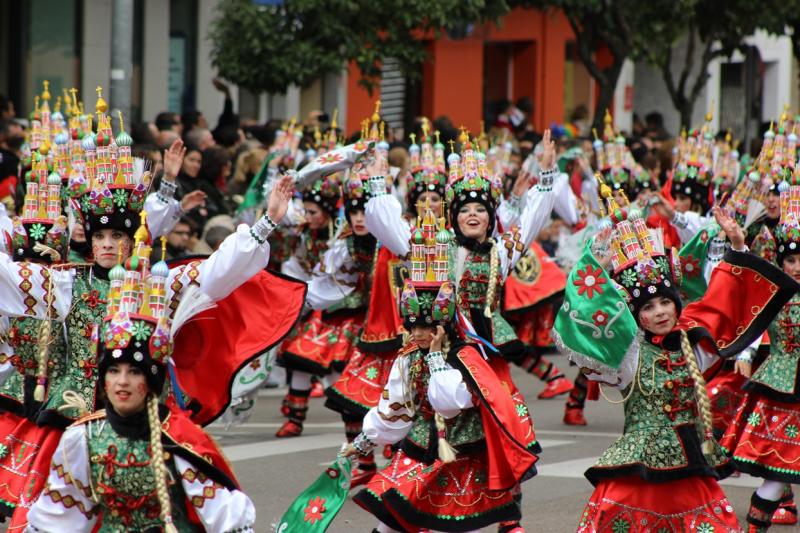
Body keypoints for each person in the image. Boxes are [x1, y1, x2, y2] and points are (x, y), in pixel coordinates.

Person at [553, 181, 797, 532]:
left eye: (666, 301)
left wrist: (739, 246)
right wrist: (597, 261)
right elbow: (588, 313)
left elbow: (722, 299)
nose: (660, 312)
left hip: (690, 465)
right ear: (635, 315)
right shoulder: (629, 355)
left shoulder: (691, 344)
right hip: (636, 468)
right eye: (648, 306)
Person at [27, 240, 256, 532]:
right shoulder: (83, 438)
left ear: (151, 381)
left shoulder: (179, 439)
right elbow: (57, 517)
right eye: (113, 370)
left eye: (134, 371)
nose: (122, 382)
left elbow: (227, 519)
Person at [343, 202, 538, 532]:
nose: (418, 333)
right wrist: (366, 440)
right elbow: (395, 406)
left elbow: (450, 405)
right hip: (420, 451)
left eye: (427, 327)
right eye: (413, 326)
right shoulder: (408, 357)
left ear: (445, 324)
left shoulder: (466, 357)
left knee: (461, 523)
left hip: (462, 456)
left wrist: (435, 359)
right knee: (390, 519)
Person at [720, 174, 800, 531]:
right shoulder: (776, 291)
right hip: (782, 383)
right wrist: (738, 245)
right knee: (775, 473)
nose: (797, 266)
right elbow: (748, 292)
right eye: (791, 259)